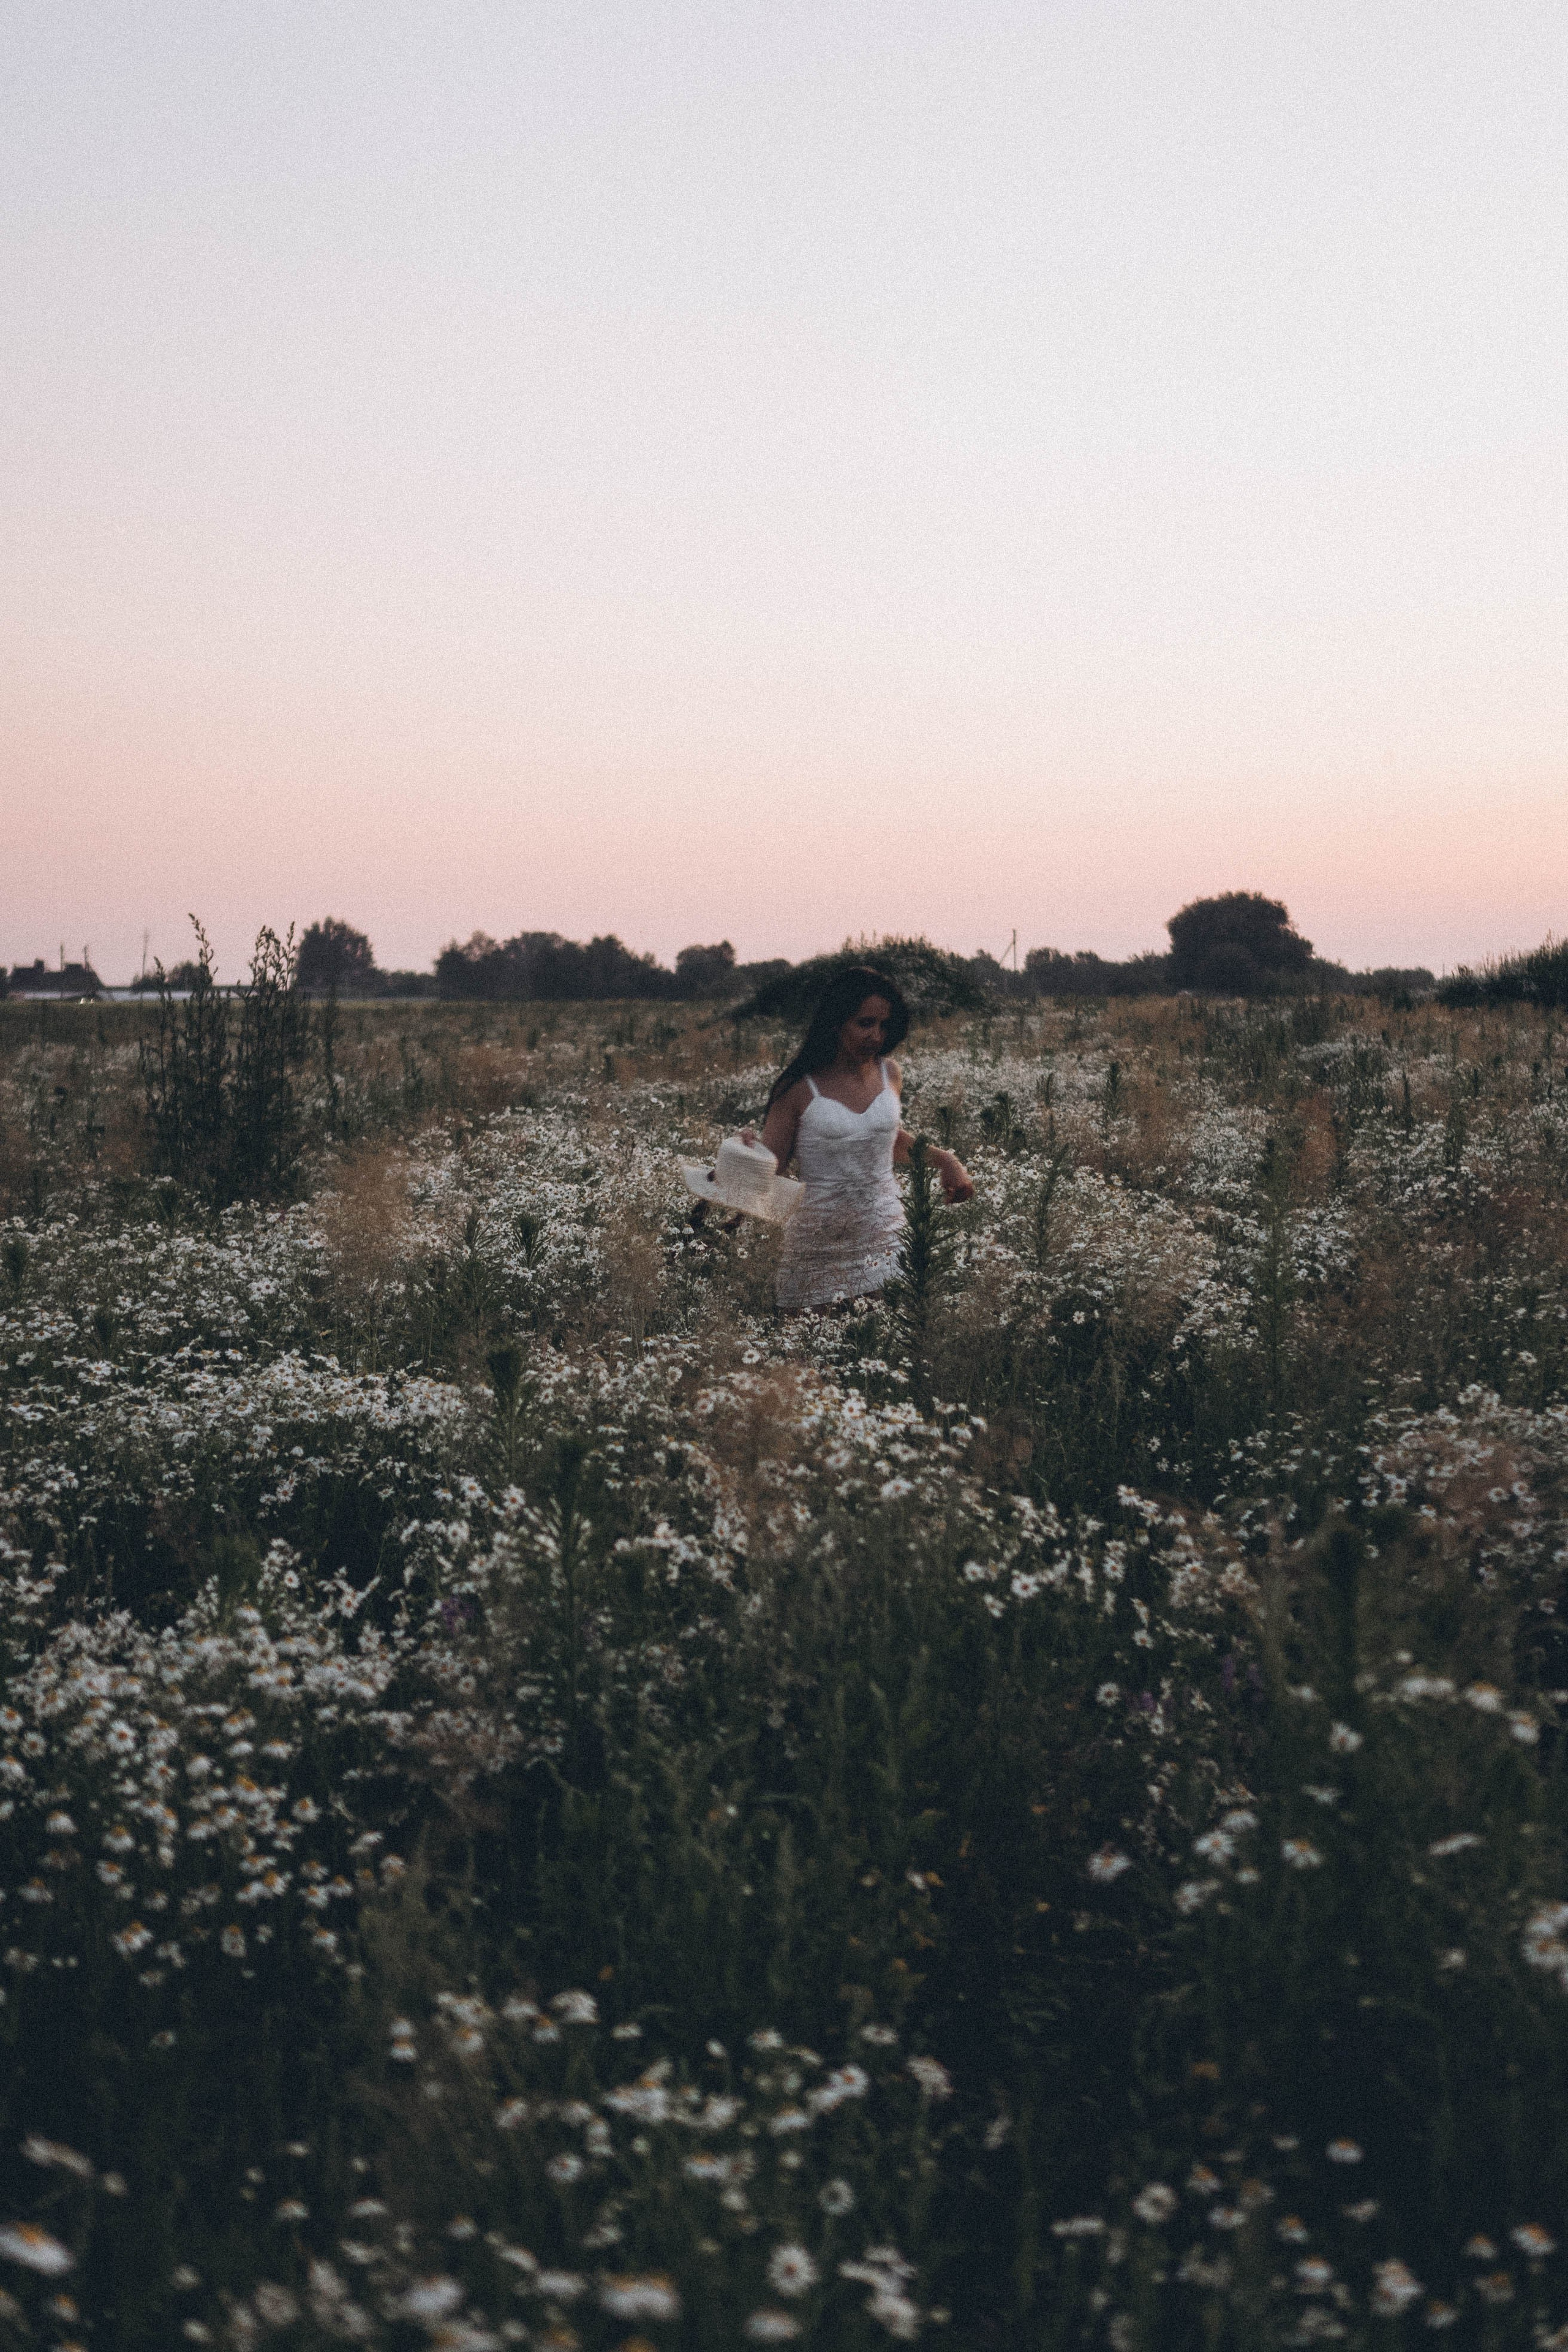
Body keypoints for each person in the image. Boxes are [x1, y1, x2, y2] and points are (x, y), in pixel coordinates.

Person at [741, 965, 974, 1314]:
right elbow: (771, 1165)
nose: (877, 1036)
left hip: (888, 1237)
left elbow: (886, 1139)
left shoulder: (889, 1072)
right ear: (836, 1022)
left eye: (884, 1025)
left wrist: (947, 1162)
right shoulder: (799, 1087)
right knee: (809, 1358)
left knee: (889, 1352)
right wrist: (743, 1154)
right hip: (817, 1248)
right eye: (865, 1023)